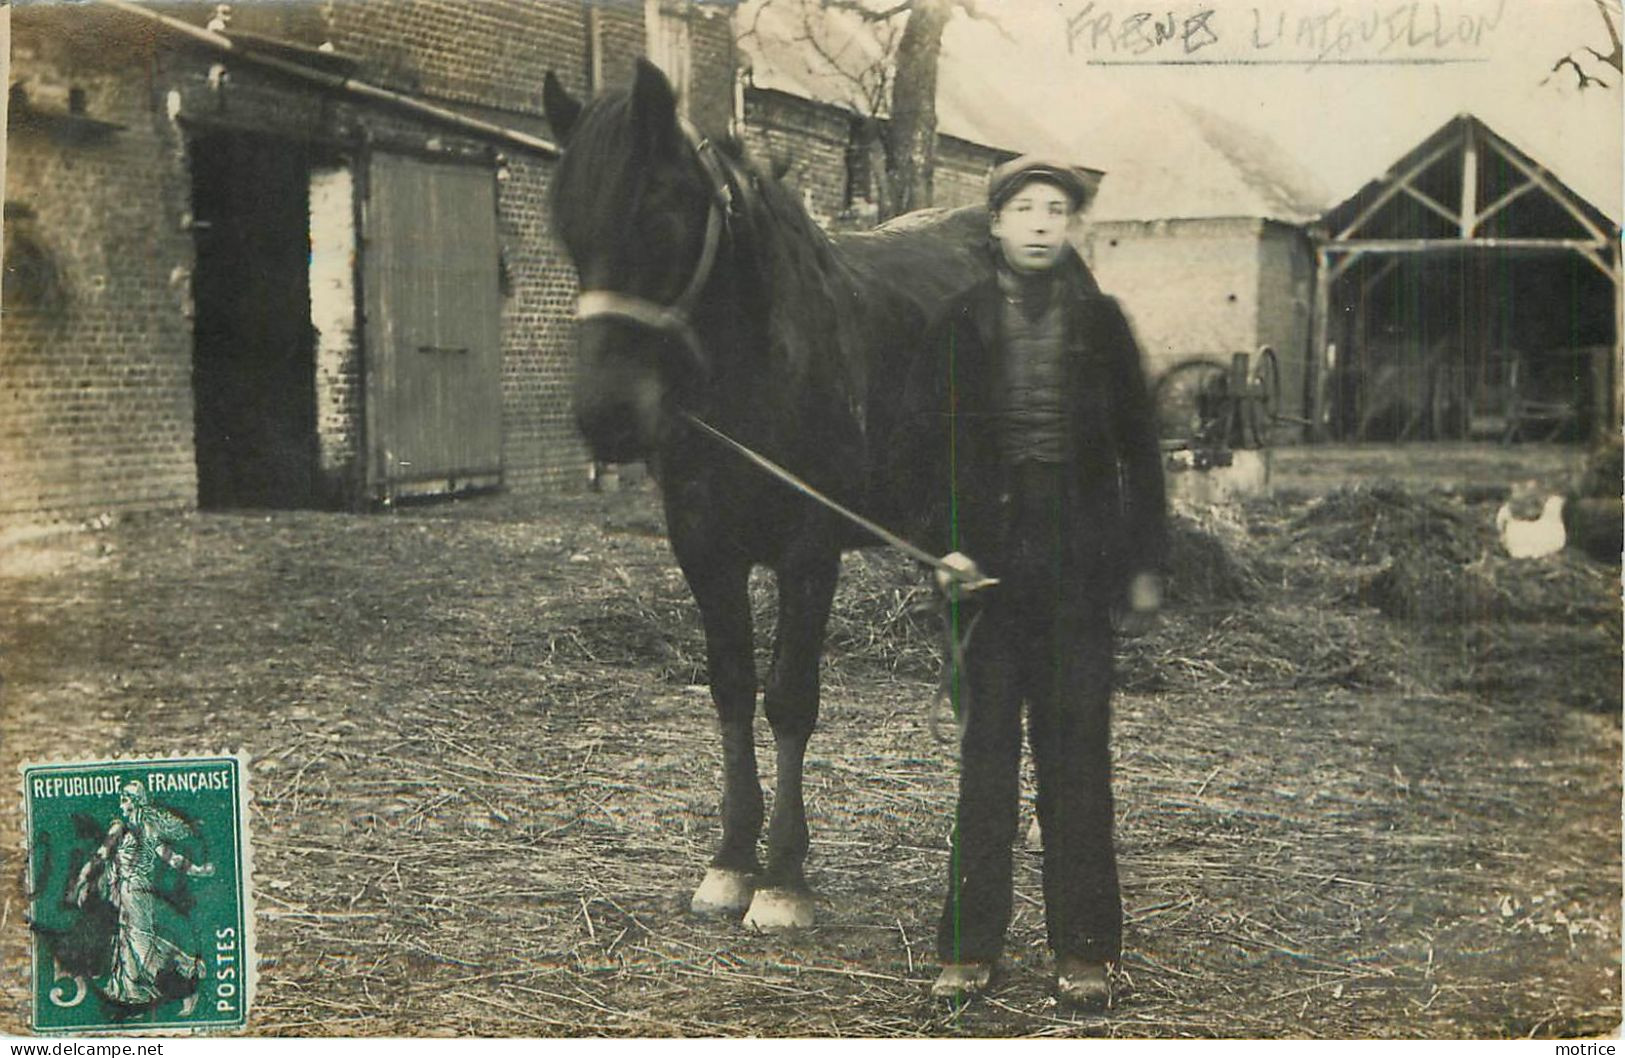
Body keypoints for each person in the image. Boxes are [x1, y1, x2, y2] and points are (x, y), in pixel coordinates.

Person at [891, 155, 1168, 1010]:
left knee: (1076, 759)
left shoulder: (1103, 323)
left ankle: (1083, 951)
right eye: (1026, 208)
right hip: (985, 574)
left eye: (1058, 210)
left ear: (1071, 226)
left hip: (1078, 569)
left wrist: (1145, 565)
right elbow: (913, 454)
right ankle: (968, 949)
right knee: (985, 762)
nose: (1043, 223)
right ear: (997, 224)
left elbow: (1139, 454)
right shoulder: (955, 323)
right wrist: (941, 546)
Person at [70, 781, 215, 1012]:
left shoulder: (127, 829)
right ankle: (130, 988)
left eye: (125, 799)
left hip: (133, 890)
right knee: (128, 936)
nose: (121, 804)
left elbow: (103, 856)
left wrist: (83, 878)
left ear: (136, 802)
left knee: (138, 938)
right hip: (133, 889)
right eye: (121, 799)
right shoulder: (136, 829)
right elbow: (167, 856)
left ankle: (185, 965)